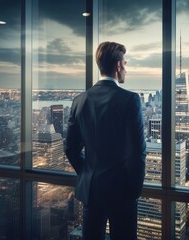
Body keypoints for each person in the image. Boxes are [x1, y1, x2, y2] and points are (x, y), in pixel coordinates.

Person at [65, 41, 146, 240]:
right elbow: (138, 153)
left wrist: (88, 173)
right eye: (125, 64)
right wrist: (134, 189)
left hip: (91, 191)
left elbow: (70, 148)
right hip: (122, 192)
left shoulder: (79, 101)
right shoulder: (130, 100)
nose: (126, 69)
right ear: (118, 66)